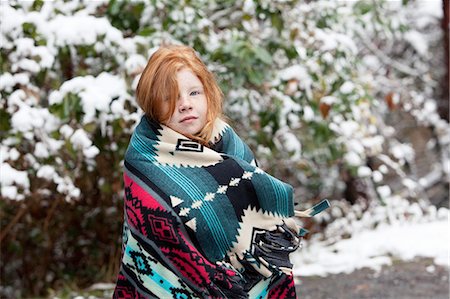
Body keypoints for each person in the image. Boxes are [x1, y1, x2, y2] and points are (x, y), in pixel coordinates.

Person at [113, 44, 328, 299]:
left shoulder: (229, 143)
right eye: (169, 97)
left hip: (245, 285)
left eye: (194, 92)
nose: (185, 104)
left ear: (208, 94)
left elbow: (261, 225)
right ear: (152, 103)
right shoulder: (144, 161)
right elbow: (156, 241)